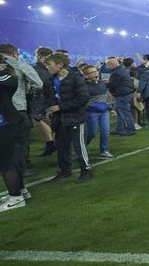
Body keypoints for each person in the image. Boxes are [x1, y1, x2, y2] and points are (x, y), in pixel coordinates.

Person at [0, 50, 28, 214]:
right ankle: (21, 191)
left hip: (3, 124)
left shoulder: (7, 77)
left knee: (5, 162)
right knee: (10, 160)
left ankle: (15, 198)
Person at [0, 43, 43, 179]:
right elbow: (38, 83)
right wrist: (30, 91)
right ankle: (20, 172)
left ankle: (6, 168)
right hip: (16, 109)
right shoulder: (19, 65)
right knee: (20, 143)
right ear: (15, 53)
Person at [45, 52, 93, 184]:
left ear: (60, 65)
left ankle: (86, 171)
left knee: (79, 146)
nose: (47, 67)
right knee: (62, 146)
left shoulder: (76, 78)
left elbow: (83, 98)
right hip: (59, 119)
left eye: (49, 64)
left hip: (76, 117)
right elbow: (48, 98)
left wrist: (61, 107)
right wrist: (48, 109)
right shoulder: (49, 80)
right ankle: (64, 171)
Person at [82, 65, 114, 159]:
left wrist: (110, 108)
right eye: (92, 72)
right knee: (92, 132)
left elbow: (106, 97)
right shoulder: (83, 86)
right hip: (91, 112)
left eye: (96, 71)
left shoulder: (101, 83)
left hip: (104, 111)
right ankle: (81, 147)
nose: (95, 73)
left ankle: (104, 151)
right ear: (86, 76)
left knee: (105, 131)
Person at [31, 47, 57, 156]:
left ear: (39, 56)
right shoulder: (52, 67)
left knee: (39, 118)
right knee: (49, 120)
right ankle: (52, 143)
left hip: (40, 98)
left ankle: (52, 143)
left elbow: (38, 85)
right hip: (53, 96)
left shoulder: (35, 68)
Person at [106, 57, 136, 136]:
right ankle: (119, 130)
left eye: (108, 65)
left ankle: (131, 130)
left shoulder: (117, 72)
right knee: (120, 113)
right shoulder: (122, 70)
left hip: (122, 95)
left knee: (125, 113)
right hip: (125, 93)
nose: (107, 67)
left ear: (112, 64)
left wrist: (104, 84)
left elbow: (113, 85)